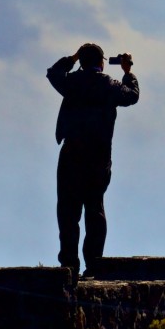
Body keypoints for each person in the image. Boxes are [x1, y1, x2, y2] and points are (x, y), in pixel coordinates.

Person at [47, 43, 138, 275]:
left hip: (71, 155)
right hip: (98, 157)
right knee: (94, 210)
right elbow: (132, 97)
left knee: (68, 212)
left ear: (82, 61)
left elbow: (53, 73)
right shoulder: (109, 85)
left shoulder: (72, 83)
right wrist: (128, 72)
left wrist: (73, 57)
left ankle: (69, 264)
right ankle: (94, 264)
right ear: (102, 63)